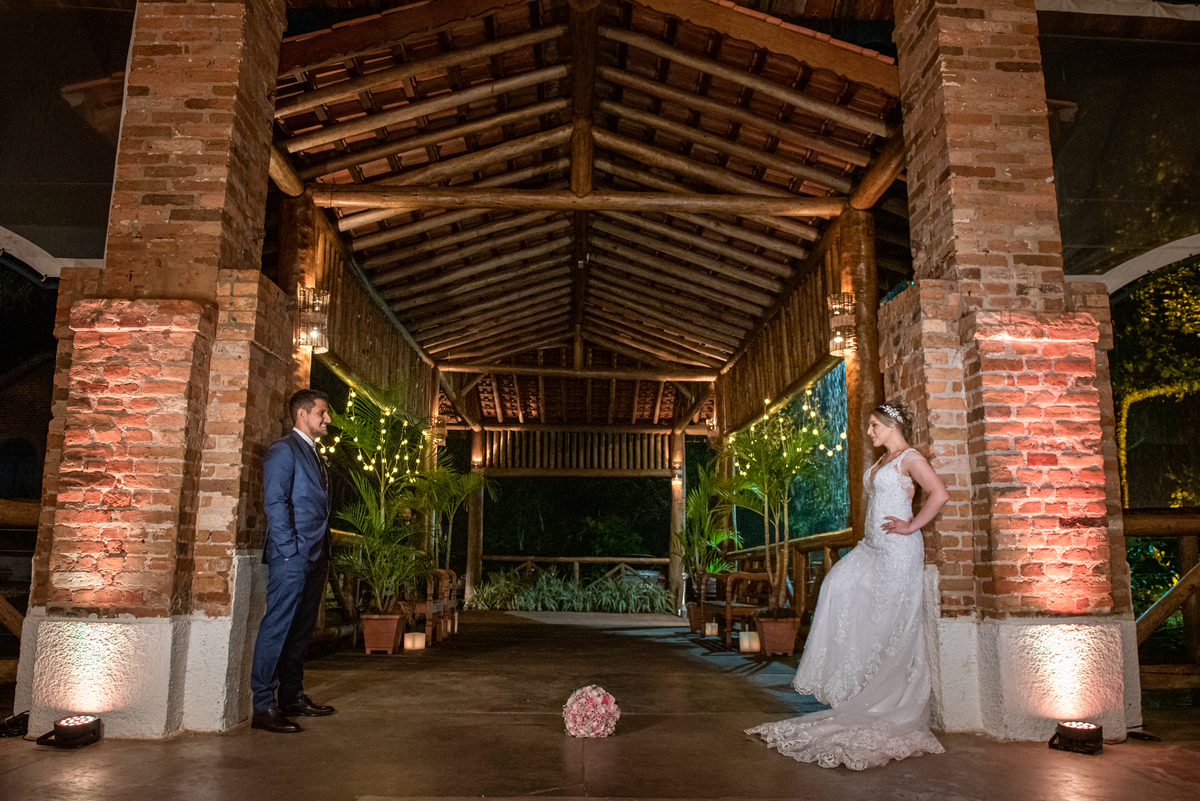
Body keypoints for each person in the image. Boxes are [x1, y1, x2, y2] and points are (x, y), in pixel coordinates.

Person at [747, 401, 949, 770]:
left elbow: (939, 493)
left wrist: (910, 525)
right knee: (836, 585)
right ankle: (856, 686)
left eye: (874, 425)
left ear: (891, 425)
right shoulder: (881, 462)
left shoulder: (909, 458)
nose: (870, 432)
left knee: (889, 620)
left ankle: (881, 698)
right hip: (871, 548)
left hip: (898, 551)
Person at [250, 389, 338, 733]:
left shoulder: (315, 454)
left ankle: (292, 696)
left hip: (316, 555)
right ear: (303, 414)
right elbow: (275, 502)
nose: (327, 419)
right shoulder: (283, 451)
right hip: (293, 555)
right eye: (322, 412)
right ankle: (262, 706)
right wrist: (288, 549)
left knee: (301, 631)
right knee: (277, 629)